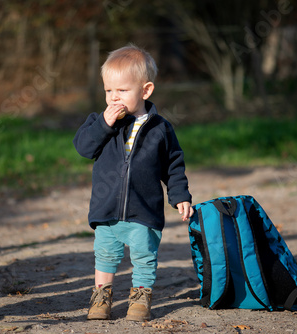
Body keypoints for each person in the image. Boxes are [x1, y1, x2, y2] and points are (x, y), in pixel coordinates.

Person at [73, 44, 194, 322]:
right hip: (106, 209)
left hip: (144, 209)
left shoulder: (160, 128)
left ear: (145, 90)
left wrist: (180, 196)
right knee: (105, 254)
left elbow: (173, 165)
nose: (113, 98)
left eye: (122, 91)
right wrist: (104, 123)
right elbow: (83, 147)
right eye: (108, 91)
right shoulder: (99, 122)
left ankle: (140, 298)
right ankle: (101, 297)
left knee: (144, 254)